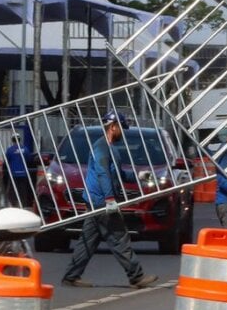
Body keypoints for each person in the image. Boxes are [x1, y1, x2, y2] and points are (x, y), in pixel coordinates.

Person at [61, 112, 158, 289]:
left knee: (88, 240)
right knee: (119, 238)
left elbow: (118, 175)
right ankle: (136, 276)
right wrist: (110, 199)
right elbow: (102, 173)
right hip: (100, 201)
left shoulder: (110, 148)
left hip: (97, 200)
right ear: (113, 127)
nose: (124, 132)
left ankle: (71, 276)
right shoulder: (101, 148)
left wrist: (138, 176)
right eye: (122, 128)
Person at [4, 129, 35, 204]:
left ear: (12, 140)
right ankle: (23, 204)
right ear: (20, 139)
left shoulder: (10, 150)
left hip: (13, 173)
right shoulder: (25, 149)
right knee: (23, 190)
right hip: (23, 173)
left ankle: (14, 204)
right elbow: (29, 159)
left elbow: (6, 161)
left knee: (13, 190)